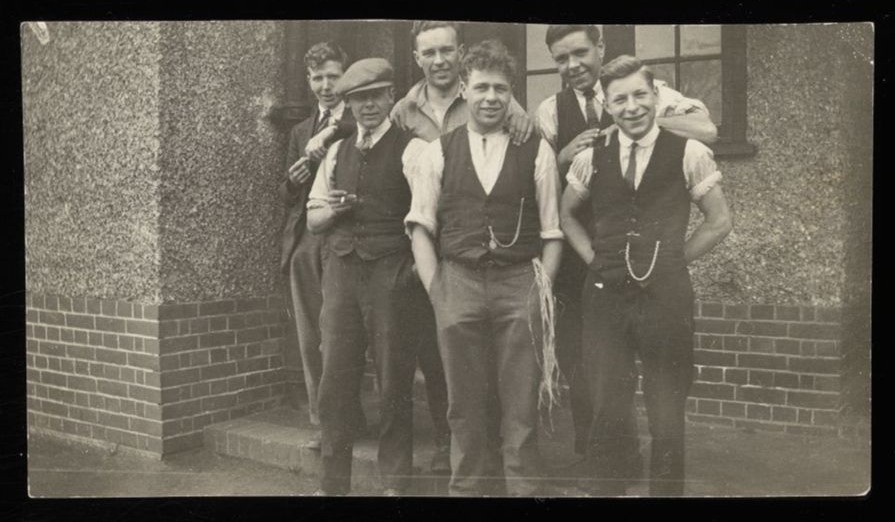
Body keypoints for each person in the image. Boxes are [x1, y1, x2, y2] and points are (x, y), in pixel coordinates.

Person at [535, 24, 718, 472]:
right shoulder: (553, 113)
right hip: (594, 271)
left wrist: (632, 121)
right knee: (597, 381)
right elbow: (547, 185)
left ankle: (655, 478)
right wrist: (563, 156)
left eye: (580, 52)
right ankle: (603, 470)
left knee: (662, 385)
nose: (572, 65)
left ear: (600, 46)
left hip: (657, 274)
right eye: (561, 59)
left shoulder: (656, 105)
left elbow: (706, 132)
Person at [406, 40, 563, 496]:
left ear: (511, 92)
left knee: (520, 398)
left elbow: (553, 232)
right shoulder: (438, 152)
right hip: (458, 281)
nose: (491, 98)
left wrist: (539, 293)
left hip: (520, 282)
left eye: (500, 89)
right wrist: (439, 292)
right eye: (481, 88)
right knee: (463, 400)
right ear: (464, 89)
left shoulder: (536, 150)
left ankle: (523, 489)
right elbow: (420, 227)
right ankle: (467, 488)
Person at [387, 20, 538, 474]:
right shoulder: (402, 111)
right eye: (429, 52)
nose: (439, 60)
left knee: (499, 370)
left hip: (489, 261)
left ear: (461, 53)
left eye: (446, 50)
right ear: (417, 58)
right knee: (444, 363)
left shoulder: (494, 98)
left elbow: (520, 150)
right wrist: (435, 283)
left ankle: (497, 463)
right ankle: (452, 452)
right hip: (431, 253)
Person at [307, 57, 428, 496]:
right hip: (341, 272)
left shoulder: (413, 149)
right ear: (350, 104)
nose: (368, 105)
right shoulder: (336, 151)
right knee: (335, 379)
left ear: (391, 96)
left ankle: (395, 483)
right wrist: (335, 211)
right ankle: (332, 485)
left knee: (394, 378)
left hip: (391, 273)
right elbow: (314, 220)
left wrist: (413, 269)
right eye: (359, 99)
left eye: (376, 96)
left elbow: (430, 215)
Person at [278, 41, 365, 449]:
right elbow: (287, 195)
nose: (326, 86)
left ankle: (348, 415)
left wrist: (330, 131)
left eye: (333, 76)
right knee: (311, 336)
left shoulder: (359, 114)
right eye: (318, 78)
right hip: (306, 241)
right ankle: (325, 422)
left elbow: (358, 134)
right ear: (308, 80)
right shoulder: (300, 131)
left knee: (340, 333)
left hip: (346, 236)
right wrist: (292, 181)